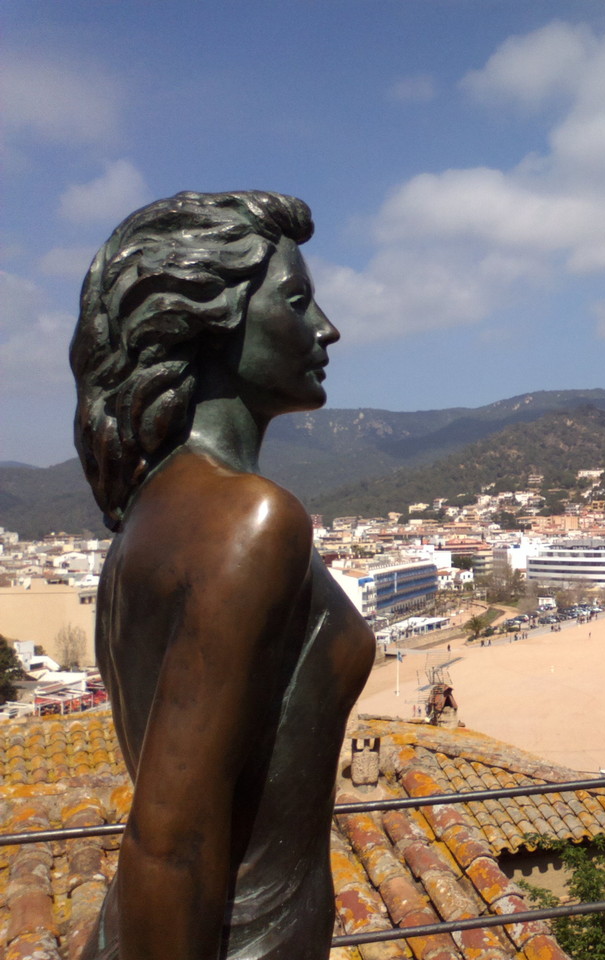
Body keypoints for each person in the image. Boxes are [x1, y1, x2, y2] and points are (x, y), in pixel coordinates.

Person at [70, 191, 375, 959]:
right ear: (206, 325)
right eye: (297, 301)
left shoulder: (151, 517)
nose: (326, 328)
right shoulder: (250, 520)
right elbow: (171, 843)